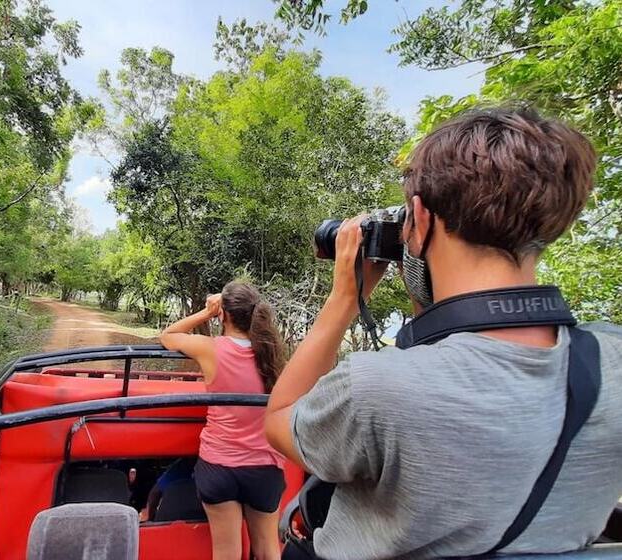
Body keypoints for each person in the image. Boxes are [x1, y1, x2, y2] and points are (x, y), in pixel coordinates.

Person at [264, 108, 622, 560]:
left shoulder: (376, 388)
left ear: (419, 218)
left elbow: (279, 420)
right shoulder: (613, 361)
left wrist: (345, 299)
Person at [161, 282, 287, 560]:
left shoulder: (210, 348)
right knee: (268, 550)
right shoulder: (272, 354)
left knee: (226, 554)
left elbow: (168, 335)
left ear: (224, 315)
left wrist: (206, 313)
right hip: (264, 469)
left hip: (219, 467)